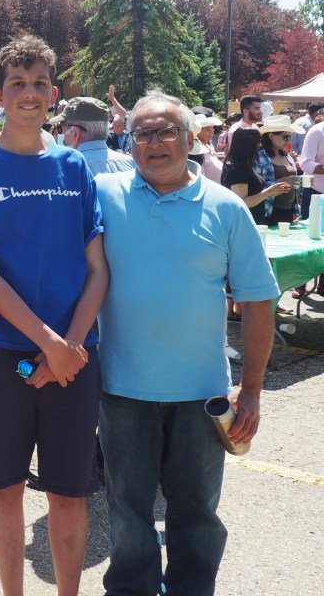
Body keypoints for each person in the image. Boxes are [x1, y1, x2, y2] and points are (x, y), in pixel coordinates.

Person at [94, 91, 278, 596]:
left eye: (166, 132)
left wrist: (253, 389)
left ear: (192, 138)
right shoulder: (102, 193)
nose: (154, 144)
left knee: (197, 513)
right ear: (129, 142)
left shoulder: (226, 208)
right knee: (127, 511)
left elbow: (259, 301)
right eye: (143, 134)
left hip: (202, 394)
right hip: (122, 390)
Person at [0, 36, 108, 596]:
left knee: (69, 492)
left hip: (75, 352)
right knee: (6, 488)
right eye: (17, 82)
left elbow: (98, 271)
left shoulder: (73, 167)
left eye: (39, 82)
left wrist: (71, 346)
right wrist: (52, 346)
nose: (29, 92)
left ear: (55, 94)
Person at [221, 128, 289, 226]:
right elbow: (242, 202)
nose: (260, 145)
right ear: (247, 144)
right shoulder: (237, 168)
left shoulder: (245, 165)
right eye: (257, 142)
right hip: (243, 225)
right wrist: (269, 191)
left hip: (252, 223)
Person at [52, 96, 134, 175]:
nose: (61, 133)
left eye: (63, 127)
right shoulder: (131, 165)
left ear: (76, 134)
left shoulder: (63, 169)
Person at [257, 115, 302, 225]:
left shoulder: (287, 156)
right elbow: (254, 188)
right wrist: (279, 182)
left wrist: (300, 182)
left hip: (289, 210)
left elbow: (291, 183)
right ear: (271, 136)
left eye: (289, 137)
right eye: (285, 137)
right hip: (268, 212)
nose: (288, 141)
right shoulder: (259, 157)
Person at [195, 114, 224, 184]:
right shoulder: (196, 151)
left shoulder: (209, 147)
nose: (211, 132)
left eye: (212, 129)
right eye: (207, 129)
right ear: (197, 132)